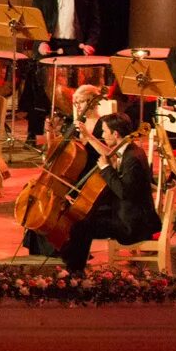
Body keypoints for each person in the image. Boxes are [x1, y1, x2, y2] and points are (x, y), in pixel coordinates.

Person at [59, 114, 157, 276]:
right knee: (83, 218)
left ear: (116, 134)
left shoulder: (132, 158)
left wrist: (106, 169)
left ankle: (75, 270)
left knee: (82, 227)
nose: (103, 136)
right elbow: (110, 154)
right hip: (126, 212)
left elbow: (124, 192)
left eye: (104, 132)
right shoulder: (129, 150)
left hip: (132, 223)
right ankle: (73, 264)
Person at [26, 0, 101, 137]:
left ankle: (74, 133)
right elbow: (35, 19)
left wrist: (91, 44)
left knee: (73, 94)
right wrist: (40, 42)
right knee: (39, 89)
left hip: (76, 46)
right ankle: (33, 134)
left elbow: (94, 21)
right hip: (50, 44)